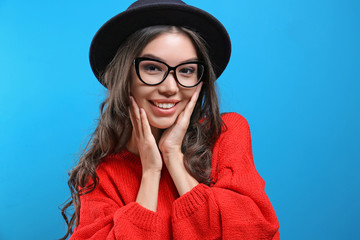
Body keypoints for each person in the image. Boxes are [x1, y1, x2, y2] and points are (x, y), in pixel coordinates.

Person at [60, 0, 280, 239]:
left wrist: (173, 157)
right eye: (152, 68)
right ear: (125, 76)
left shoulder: (226, 133)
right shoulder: (103, 175)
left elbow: (256, 232)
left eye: (186, 70)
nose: (170, 87)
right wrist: (151, 173)